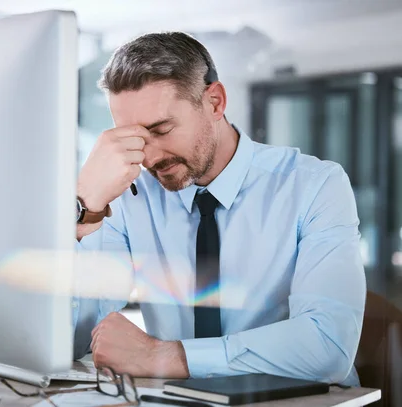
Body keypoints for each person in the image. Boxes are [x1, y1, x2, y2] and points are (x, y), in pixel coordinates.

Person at [73, 32, 365, 386]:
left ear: (215, 102)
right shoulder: (129, 195)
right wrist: (85, 206)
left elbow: (327, 346)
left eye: (161, 129)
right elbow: (73, 337)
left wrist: (165, 356)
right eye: (133, 138)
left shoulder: (315, 185)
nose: (148, 157)